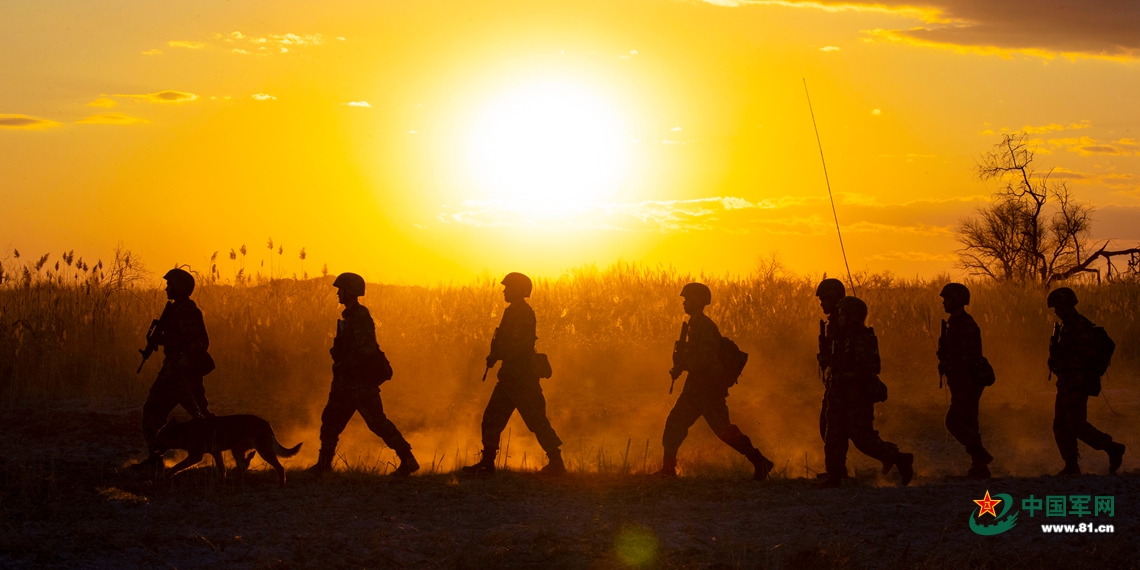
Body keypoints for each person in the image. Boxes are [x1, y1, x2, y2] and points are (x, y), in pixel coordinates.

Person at [653, 283, 774, 480]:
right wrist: (680, 367)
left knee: (723, 431)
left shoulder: (706, 327)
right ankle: (668, 469)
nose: (684, 303)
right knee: (676, 424)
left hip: (707, 391)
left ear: (699, 302)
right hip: (697, 389)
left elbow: (705, 360)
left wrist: (684, 365)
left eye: (688, 299)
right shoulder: (694, 326)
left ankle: (760, 461)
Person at [309, 273, 419, 476]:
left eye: (341, 289)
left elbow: (365, 350)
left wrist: (344, 364)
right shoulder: (349, 317)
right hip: (347, 384)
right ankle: (323, 465)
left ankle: (407, 459)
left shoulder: (360, 316)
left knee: (378, 423)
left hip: (359, 384)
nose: (338, 293)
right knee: (330, 422)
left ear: (350, 292)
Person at [462, 272, 564, 475]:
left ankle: (556, 463)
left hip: (523, 379)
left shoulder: (524, 313)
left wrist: (498, 354)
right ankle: (488, 463)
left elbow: (520, 346)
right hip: (509, 378)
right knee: (491, 419)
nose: (504, 291)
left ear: (517, 290)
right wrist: (495, 354)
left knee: (537, 421)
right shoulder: (512, 312)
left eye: (508, 288)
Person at [818, 296, 914, 488]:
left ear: (852, 316)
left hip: (856, 397)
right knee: (833, 436)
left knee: (863, 439)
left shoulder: (861, 338)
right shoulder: (841, 336)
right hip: (838, 395)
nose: (840, 317)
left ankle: (899, 458)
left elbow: (867, 370)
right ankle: (835, 475)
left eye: (843, 314)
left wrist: (844, 376)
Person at [132, 268, 214, 472]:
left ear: (179, 287)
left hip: (185, 375)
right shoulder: (175, 310)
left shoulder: (188, 311)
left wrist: (186, 359)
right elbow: (175, 337)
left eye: (170, 285)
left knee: (202, 418)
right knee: (152, 411)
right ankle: (155, 457)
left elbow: (200, 342)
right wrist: (158, 340)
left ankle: (227, 454)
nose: (167, 288)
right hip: (171, 374)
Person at [1047, 287, 1126, 475]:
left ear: (1067, 306)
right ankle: (1071, 465)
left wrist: (1061, 362)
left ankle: (1111, 447)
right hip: (1066, 381)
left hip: (1077, 381)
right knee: (1060, 424)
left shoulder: (1080, 326)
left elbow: (1085, 357)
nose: (1056, 311)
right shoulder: (1065, 327)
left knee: (1075, 423)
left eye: (1058, 307)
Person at [936, 283, 994, 478]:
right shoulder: (954, 324)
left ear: (957, 300)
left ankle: (981, 455)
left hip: (968, 382)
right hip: (960, 382)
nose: (944, 302)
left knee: (953, 422)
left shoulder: (967, 325)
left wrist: (949, 363)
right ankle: (979, 468)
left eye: (947, 299)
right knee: (969, 424)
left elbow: (970, 357)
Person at [815, 278, 845, 480]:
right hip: (836, 381)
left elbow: (844, 354)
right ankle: (836, 470)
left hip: (844, 382)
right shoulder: (833, 322)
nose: (821, 304)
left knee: (833, 427)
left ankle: (835, 472)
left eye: (824, 300)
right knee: (829, 426)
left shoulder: (843, 323)